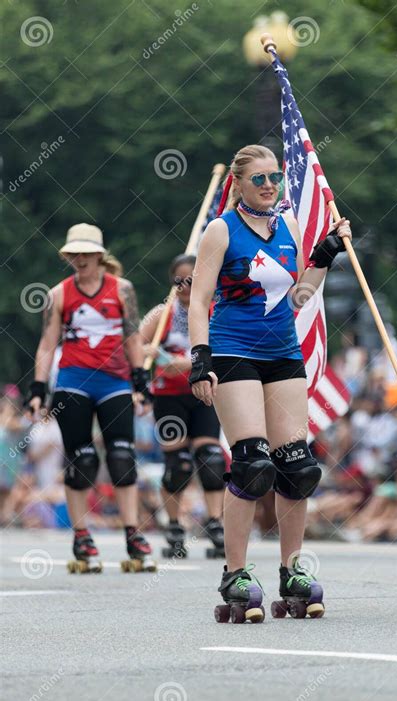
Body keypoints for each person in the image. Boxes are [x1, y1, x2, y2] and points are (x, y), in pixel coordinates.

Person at [187, 144, 351, 622]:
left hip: (282, 353)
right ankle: (235, 572)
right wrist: (201, 359)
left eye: (274, 177)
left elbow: (298, 294)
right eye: (258, 178)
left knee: (297, 467)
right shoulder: (221, 230)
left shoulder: (289, 228)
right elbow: (199, 301)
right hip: (234, 351)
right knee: (252, 465)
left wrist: (322, 257)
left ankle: (292, 569)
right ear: (237, 184)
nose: (268, 185)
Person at [24, 223, 155, 572]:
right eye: (74, 255)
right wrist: (38, 389)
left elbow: (132, 337)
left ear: (99, 256)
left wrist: (141, 380)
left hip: (114, 381)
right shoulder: (59, 294)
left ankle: (132, 532)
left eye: (86, 254)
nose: (80, 260)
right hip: (74, 381)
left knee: (122, 456)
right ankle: (81, 534)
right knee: (81, 459)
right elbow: (48, 344)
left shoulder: (122, 290)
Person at [141, 254, 226, 558]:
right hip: (168, 396)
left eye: (191, 279)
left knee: (211, 459)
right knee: (178, 465)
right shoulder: (162, 314)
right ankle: (175, 525)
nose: (185, 285)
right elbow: (134, 347)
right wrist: (147, 350)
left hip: (203, 392)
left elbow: (221, 350)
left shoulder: (213, 312)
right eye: (179, 280)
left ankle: (216, 523)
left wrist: (178, 362)